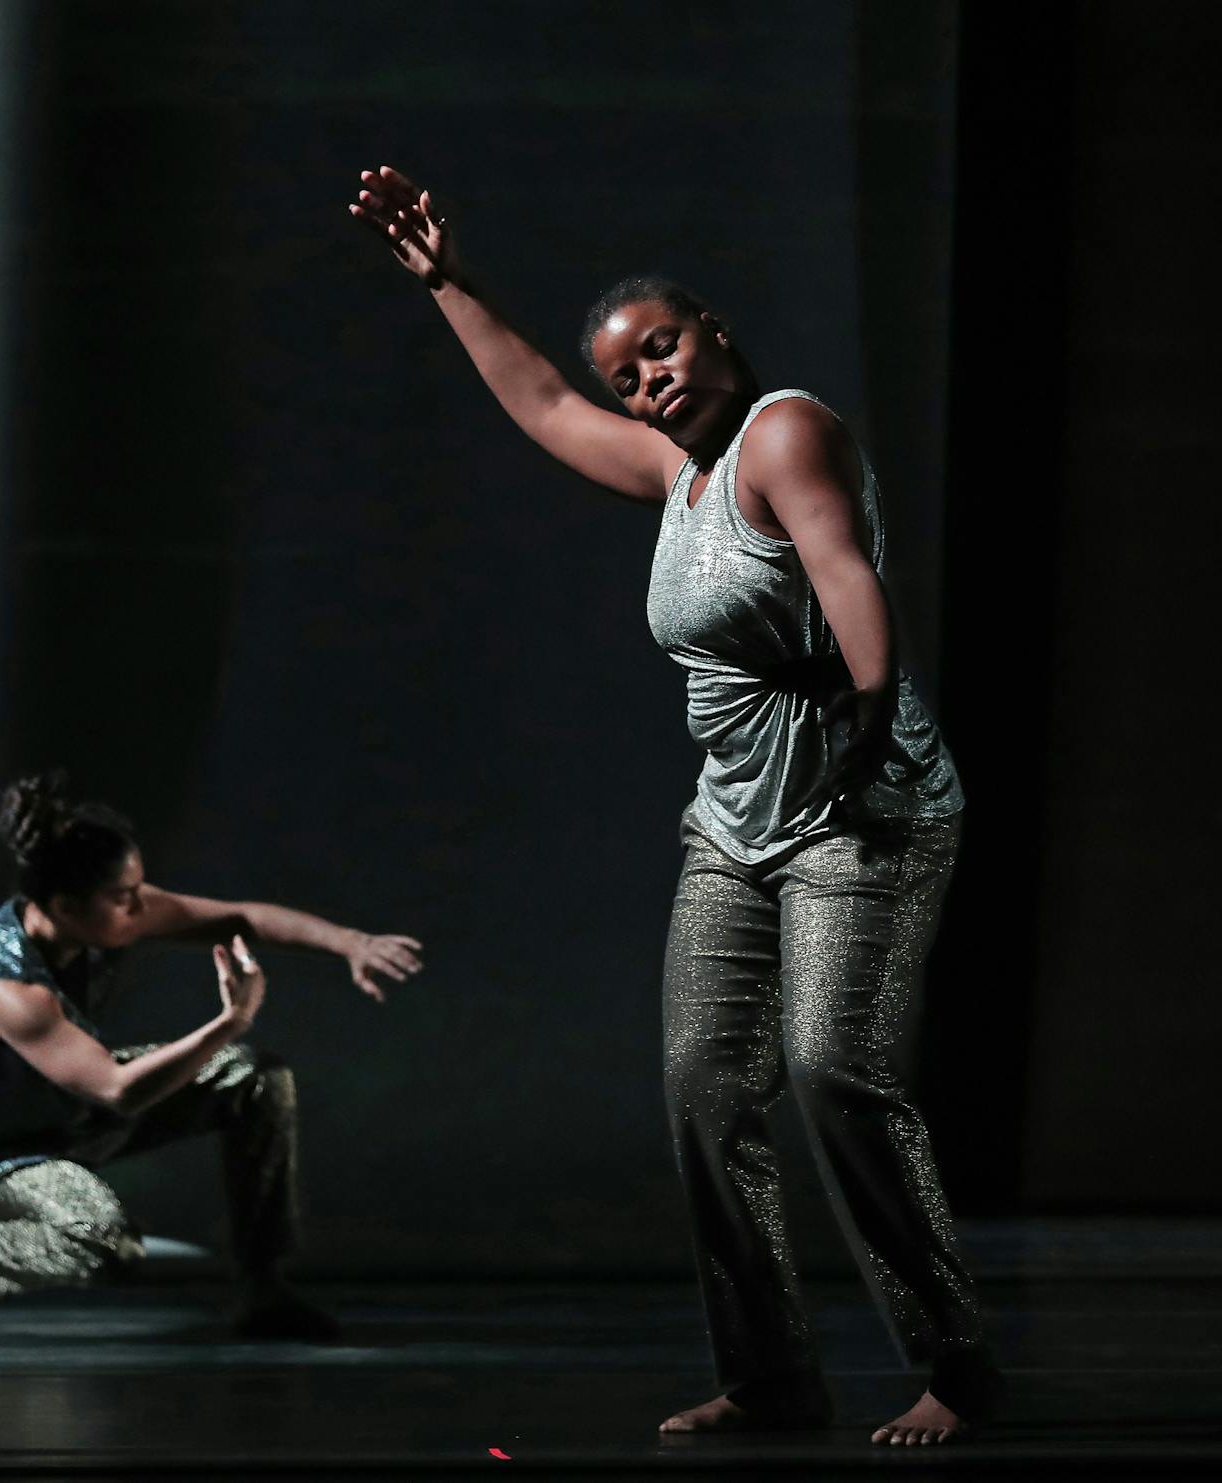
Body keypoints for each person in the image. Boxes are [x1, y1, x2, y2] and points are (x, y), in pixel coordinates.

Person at [348, 165, 1003, 1447]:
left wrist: (868, 723)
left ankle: (956, 1361)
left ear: (710, 329)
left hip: (862, 808)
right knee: (703, 1084)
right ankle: (769, 1377)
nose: (646, 380)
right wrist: (448, 284)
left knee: (834, 1069)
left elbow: (844, 570)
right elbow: (539, 401)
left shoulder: (780, 432)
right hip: (731, 823)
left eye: (661, 348)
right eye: (629, 376)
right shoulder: (677, 473)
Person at [0, 770, 423, 1345]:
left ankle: (263, 1287)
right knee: (102, 1239)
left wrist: (351, 942)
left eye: (137, 891)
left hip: (70, 1103)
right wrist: (231, 1021)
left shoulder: (96, 914)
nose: (139, 907)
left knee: (254, 1079)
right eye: (122, 897)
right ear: (62, 905)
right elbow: (117, 1089)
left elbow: (240, 919)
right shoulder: (5, 989)